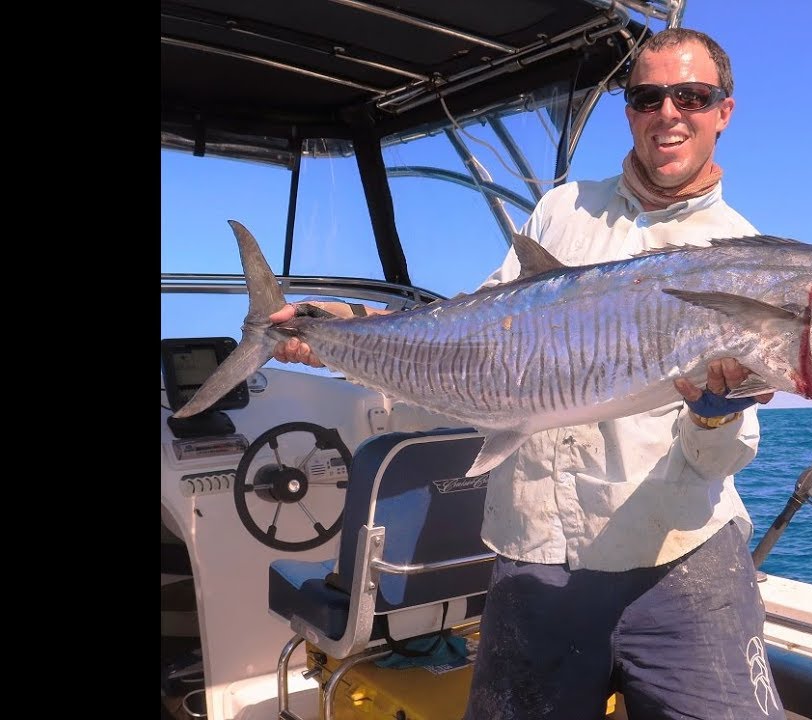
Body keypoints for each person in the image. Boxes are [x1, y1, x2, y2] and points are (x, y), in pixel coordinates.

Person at [270, 27, 783, 720]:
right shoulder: (561, 210)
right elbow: (471, 333)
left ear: (724, 110)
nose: (669, 113)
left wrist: (714, 414)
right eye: (647, 96)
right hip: (537, 550)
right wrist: (344, 326)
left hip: (680, 559)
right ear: (628, 110)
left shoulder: (748, 257)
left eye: (692, 95)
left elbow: (719, 455)